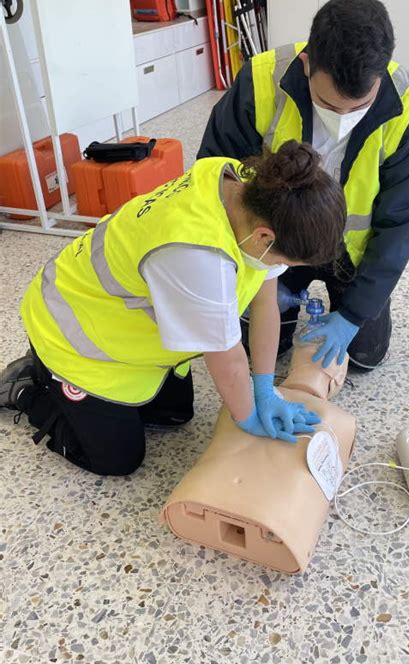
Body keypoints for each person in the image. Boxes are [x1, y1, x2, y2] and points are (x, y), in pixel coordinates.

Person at [0, 141, 346, 477]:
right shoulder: (195, 255)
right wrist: (247, 418)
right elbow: (226, 357)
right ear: (264, 237)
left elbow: (265, 301)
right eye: (286, 260)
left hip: (127, 332)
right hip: (73, 334)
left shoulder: (254, 192)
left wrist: (266, 388)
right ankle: (30, 386)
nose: (283, 268)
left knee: (173, 415)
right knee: (118, 460)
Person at [198, 0, 409, 369]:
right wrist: (254, 271)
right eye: (328, 105)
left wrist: (354, 315)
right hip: (276, 243)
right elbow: (215, 179)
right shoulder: (262, 80)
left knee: (361, 358)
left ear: (382, 72)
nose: (342, 117)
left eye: (358, 107)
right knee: (260, 349)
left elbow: (401, 225)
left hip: (352, 255)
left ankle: (349, 307)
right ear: (307, 64)